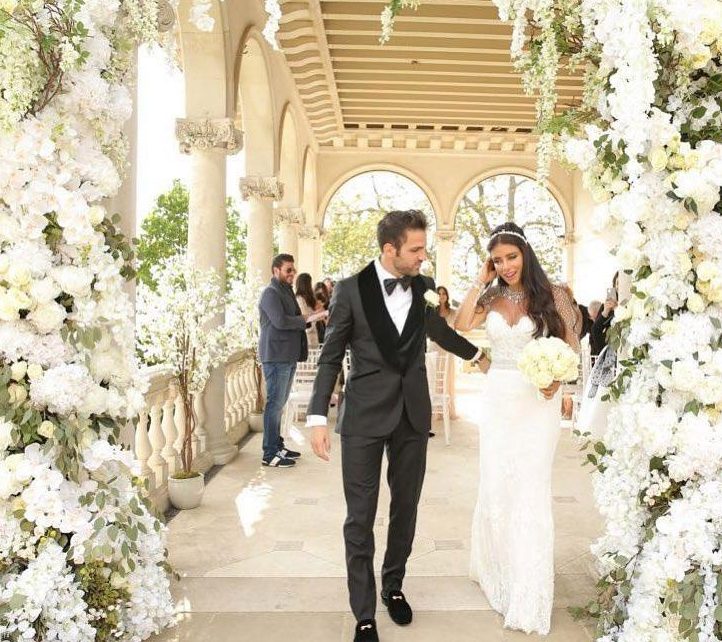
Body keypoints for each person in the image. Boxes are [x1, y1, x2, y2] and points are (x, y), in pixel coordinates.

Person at [306, 210, 484, 642]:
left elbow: (439, 331)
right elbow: (330, 356)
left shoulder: (423, 287)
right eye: (416, 250)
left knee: (406, 506)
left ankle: (393, 586)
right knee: (360, 516)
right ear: (390, 250)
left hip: (411, 414)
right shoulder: (349, 291)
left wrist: (479, 356)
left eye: (424, 248)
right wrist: (316, 418)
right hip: (365, 416)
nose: (424, 257)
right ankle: (363, 612)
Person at [455, 221, 580, 636]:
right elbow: (459, 323)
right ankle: (497, 568)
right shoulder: (489, 296)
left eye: (511, 256)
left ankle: (528, 586)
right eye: (498, 260)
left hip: (536, 401)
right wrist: (480, 279)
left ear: (526, 254)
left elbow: (570, 345)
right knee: (496, 483)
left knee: (529, 487)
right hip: (497, 400)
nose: (506, 265)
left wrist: (556, 381)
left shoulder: (554, 294)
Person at [258, 254, 328, 468]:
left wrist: (310, 318)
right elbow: (279, 321)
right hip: (276, 356)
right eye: (288, 270)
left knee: (280, 404)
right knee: (274, 404)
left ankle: (277, 446)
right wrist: (310, 318)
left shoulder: (285, 291)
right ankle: (270, 454)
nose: (292, 273)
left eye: (293, 269)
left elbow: (290, 320)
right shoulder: (270, 293)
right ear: (275, 270)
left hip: (287, 355)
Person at [428, 286, 459, 422]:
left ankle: (448, 410)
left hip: (448, 349)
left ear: (447, 296)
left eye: (444, 293)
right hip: (434, 348)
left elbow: (458, 330)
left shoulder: (454, 313)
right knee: (433, 378)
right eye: (439, 294)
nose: (441, 296)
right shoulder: (431, 312)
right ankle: (435, 411)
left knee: (447, 378)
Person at [590, 274, 618, 356]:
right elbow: (595, 330)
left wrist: (617, 309)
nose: (619, 286)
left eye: (621, 283)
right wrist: (605, 312)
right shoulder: (605, 306)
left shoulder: (630, 303)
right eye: (617, 283)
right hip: (608, 349)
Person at [295, 272, 322, 349]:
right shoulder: (300, 299)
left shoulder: (308, 299)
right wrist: (318, 314)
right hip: (307, 336)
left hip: (313, 335)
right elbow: (306, 317)